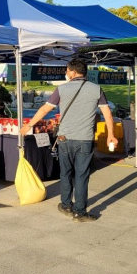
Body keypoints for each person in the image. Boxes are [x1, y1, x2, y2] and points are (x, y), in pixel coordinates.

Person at [20, 58, 117, 222]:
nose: (66, 73)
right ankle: (80, 211)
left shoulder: (62, 89)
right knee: (82, 175)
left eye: (67, 70)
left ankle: (65, 205)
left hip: (64, 139)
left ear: (73, 72)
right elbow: (107, 113)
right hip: (85, 140)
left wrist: (28, 125)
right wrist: (110, 135)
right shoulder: (96, 89)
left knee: (65, 173)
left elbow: (44, 109)